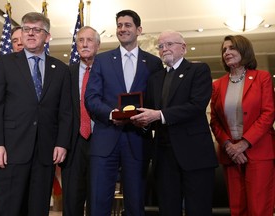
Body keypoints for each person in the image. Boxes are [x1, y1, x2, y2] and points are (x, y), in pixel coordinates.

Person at [0, 12, 72, 216]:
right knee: (8, 209)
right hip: (9, 151)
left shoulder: (60, 69)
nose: (31, 33)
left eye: (37, 30)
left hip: (44, 153)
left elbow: (66, 111)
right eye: (26, 29)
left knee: (37, 209)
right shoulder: (5, 63)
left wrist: (62, 143)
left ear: (47, 36)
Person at [131, 30, 218, 216]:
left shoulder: (198, 70)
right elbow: (151, 111)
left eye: (169, 44)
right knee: (168, 209)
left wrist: (159, 115)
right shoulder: (155, 79)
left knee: (198, 209)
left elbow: (196, 105)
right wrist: (143, 121)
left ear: (183, 48)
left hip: (194, 154)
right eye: (161, 46)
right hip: (163, 156)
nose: (164, 49)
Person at [85, 9, 163, 216]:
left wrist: (146, 119)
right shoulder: (101, 60)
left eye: (127, 25)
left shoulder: (154, 63)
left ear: (139, 30)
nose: (122, 29)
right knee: (98, 201)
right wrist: (112, 115)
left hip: (138, 139)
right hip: (105, 139)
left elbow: (157, 101)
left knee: (136, 203)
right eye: (119, 25)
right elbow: (91, 98)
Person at [210, 35, 275, 216]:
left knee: (259, 207)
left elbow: (268, 113)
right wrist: (229, 146)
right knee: (237, 208)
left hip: (259, 152)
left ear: (244, 50)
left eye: (232, 48)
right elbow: (214, 120)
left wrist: (244, 144)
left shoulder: (262, 78)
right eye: (224, 50)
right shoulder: (218, 85)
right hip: (230, 154)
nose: (227, 52)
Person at [61, 26, 100, 216]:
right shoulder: (65, 73)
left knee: (98, 199)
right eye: (80, 41)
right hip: (73, 144)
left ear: (98, 45)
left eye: (89, 40)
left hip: (101, 142)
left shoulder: (107, 70)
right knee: (72, 200)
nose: (84, 44)